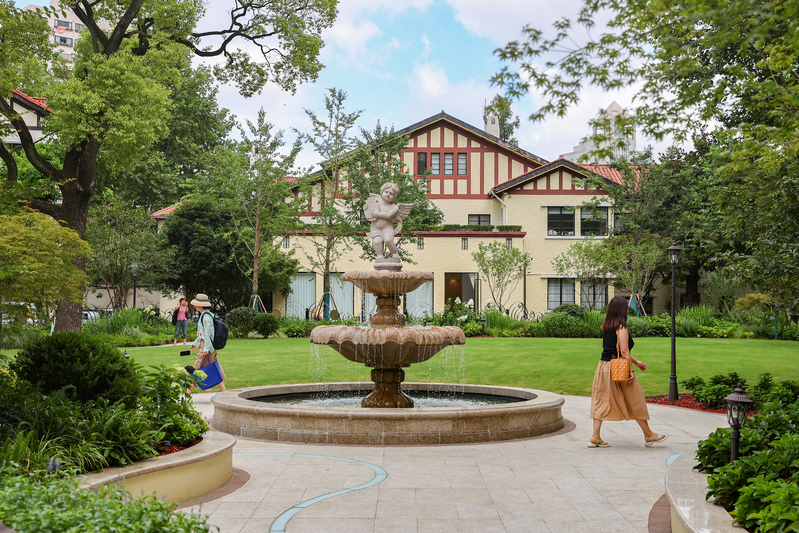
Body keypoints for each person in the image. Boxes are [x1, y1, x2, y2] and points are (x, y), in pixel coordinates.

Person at [588, 296, 667, 448]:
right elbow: (624, 351)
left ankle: (595, 436)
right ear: (622, 310)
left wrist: (636, 362)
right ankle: (648, 434)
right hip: (619, 369)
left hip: (604, 367)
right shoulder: (621, 327)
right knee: (635, 397)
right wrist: (631, 371)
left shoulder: (607, 326)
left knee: (602, 400)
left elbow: (615, 350)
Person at [364, 182, 412, 259]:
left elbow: (389, 215)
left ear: (394, 197)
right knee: (377, 242)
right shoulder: (376, 201)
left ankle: (395, 253)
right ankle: (380, 256)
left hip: (387, 227)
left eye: (391, 193)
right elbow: (368, 209)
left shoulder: (394, 207)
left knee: (388, 240)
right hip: (375, 227)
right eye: (386, 192)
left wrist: (377, 214)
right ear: (382, 191)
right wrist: (366, 207)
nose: (388, 194)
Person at [189, 293, 226, 392]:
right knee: (214, 370)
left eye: (196, 304)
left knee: (195, 371)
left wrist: (205, 349)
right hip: (207, 347)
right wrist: (195, 343)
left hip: (206, 348)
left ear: (200, 305)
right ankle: (225, 393)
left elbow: (207, 335)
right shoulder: (205, 316)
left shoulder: (206, 317)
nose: (195, 306)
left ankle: (186, 395)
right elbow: (202, 334)